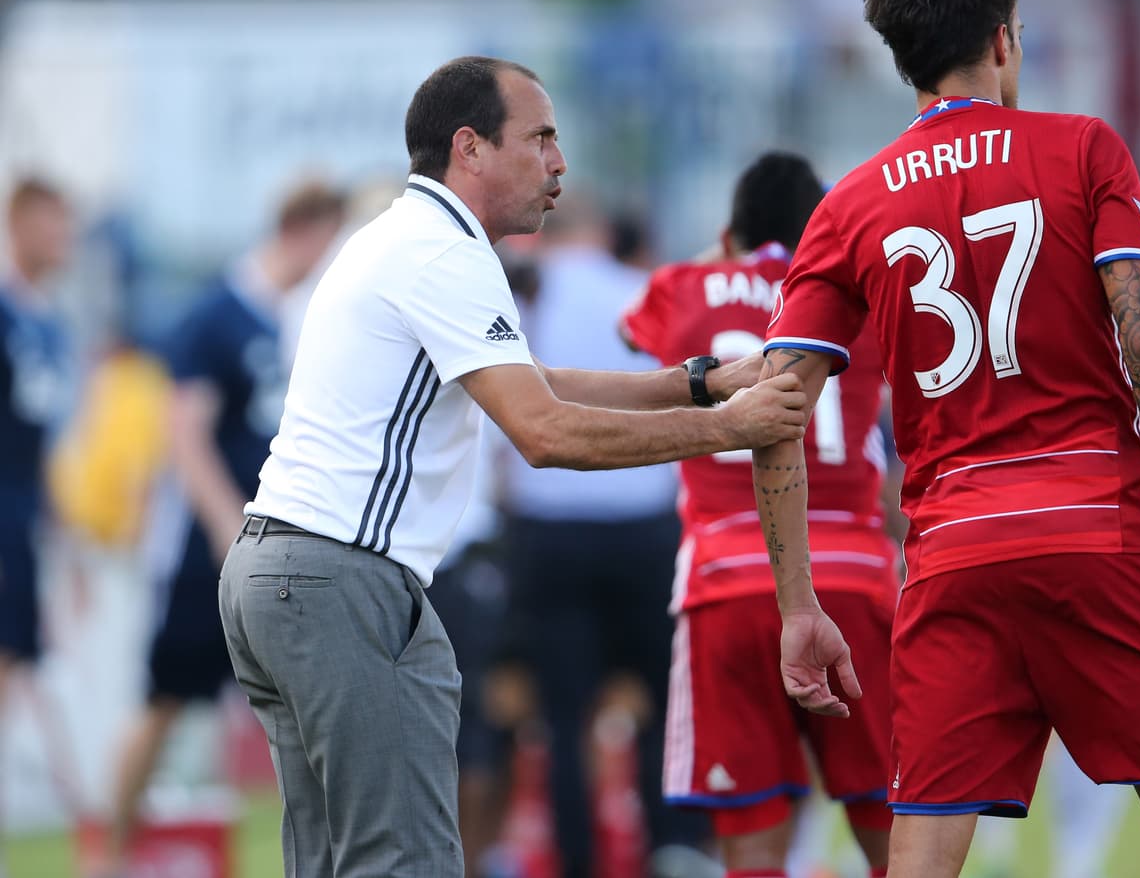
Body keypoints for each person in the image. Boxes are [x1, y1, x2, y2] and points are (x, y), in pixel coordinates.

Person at [217, 55, 808, 878]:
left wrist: (698, 383)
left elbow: (533, 379)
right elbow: (545, 432)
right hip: (339, 579)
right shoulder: (442, 252)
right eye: (540, 138)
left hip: (283, 572)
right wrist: (729, 428)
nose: (559, 162)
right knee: (406, 862)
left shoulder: (410, 236)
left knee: (333, 864)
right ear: (471, 147)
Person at [750, 0, 1140, 878]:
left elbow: (778, 409)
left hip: (952, 555)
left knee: (923, 856)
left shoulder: (848, 205)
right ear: (1005, 37)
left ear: (901, 58)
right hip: (1096, 529)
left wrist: (798, 601)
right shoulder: (1083, 149)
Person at [620, 151, 897, 878]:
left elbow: (632, 335)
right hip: (855, 574)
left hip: (726, 579)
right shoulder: (855, 291)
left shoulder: (683, 285)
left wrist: (724, 256)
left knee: (752, 842)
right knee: (894, 828)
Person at [101, 181, 347, 875]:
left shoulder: (299, 319)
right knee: (166, 700)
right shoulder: (217, 315)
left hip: (290, 547)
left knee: (307, 714)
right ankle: (107, 856)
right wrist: (222, 526)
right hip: (214, 552)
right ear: (303, 228)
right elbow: (187, 432)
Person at [502, 199, 701, 878]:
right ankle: (670, 849)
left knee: (563, 717)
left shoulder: (522, 299)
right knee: (661, 703)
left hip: (550, 525)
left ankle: (578, 861)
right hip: (643, 523)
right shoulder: (641, 290)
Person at [0, 179, 76, 853]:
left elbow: (42, 445)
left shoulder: (47, 321)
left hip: (20, 523)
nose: (66, 240)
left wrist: (64, 546)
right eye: (54, 224)